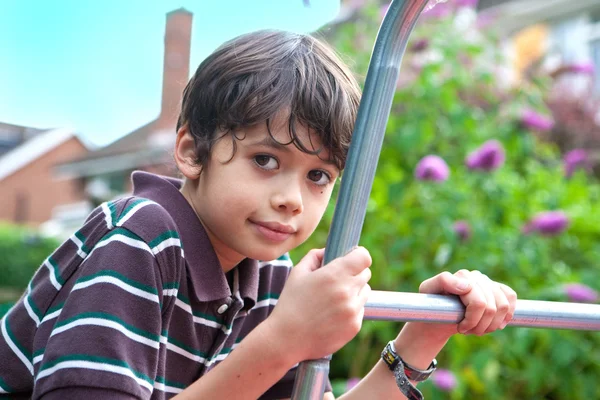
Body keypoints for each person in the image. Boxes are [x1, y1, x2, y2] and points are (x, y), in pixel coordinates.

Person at [0, 30, 517, 400]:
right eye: (265, 160)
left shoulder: (269, 277)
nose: (293, 198)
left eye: (319, 176)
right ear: (191, 152)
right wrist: (284, 341)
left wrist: (421, 339)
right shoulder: (140, 236)